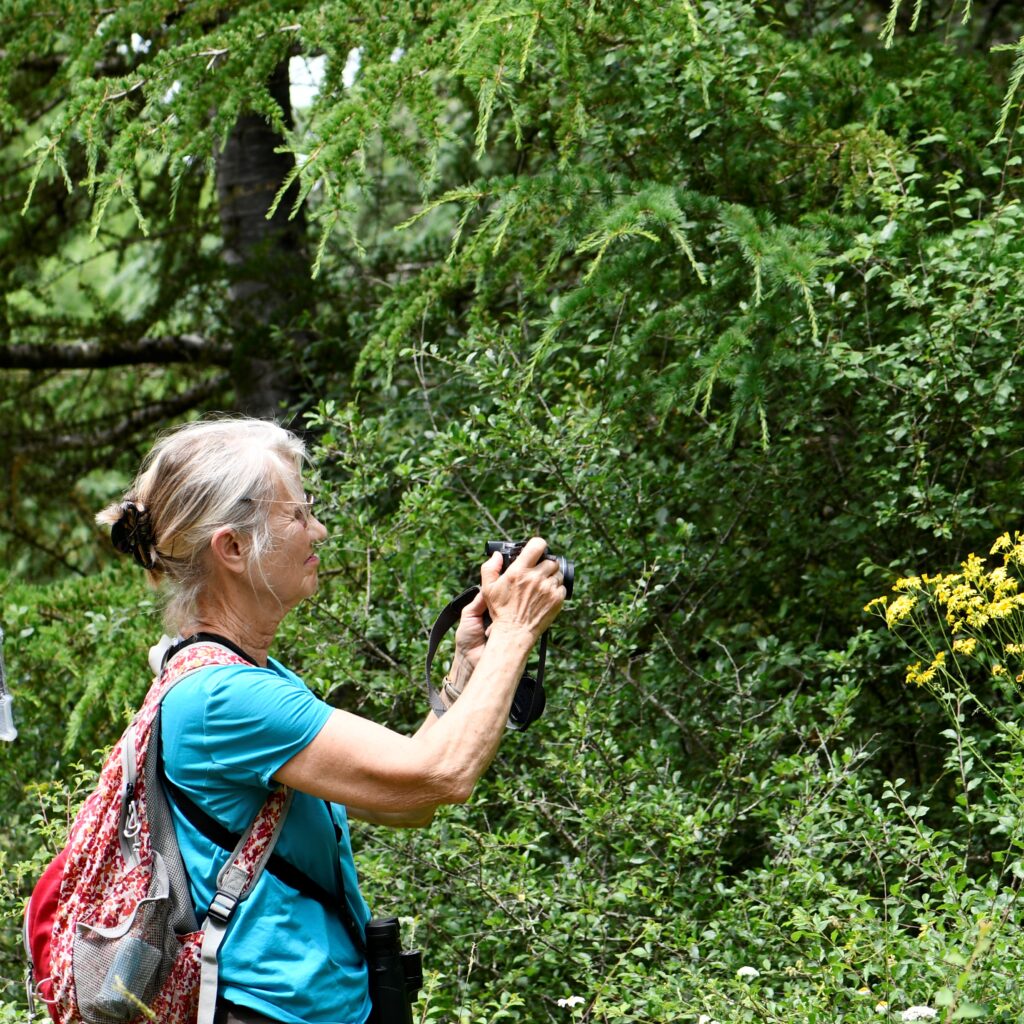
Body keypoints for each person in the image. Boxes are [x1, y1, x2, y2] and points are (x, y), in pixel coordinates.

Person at [95, 416, 565, 1024]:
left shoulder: (255, 679)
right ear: (233, 548)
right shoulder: (223, 697)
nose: (317, 529)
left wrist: (468, 667)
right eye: (296, 515)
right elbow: (442, 776)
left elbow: (405, 799)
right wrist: (518, 633)